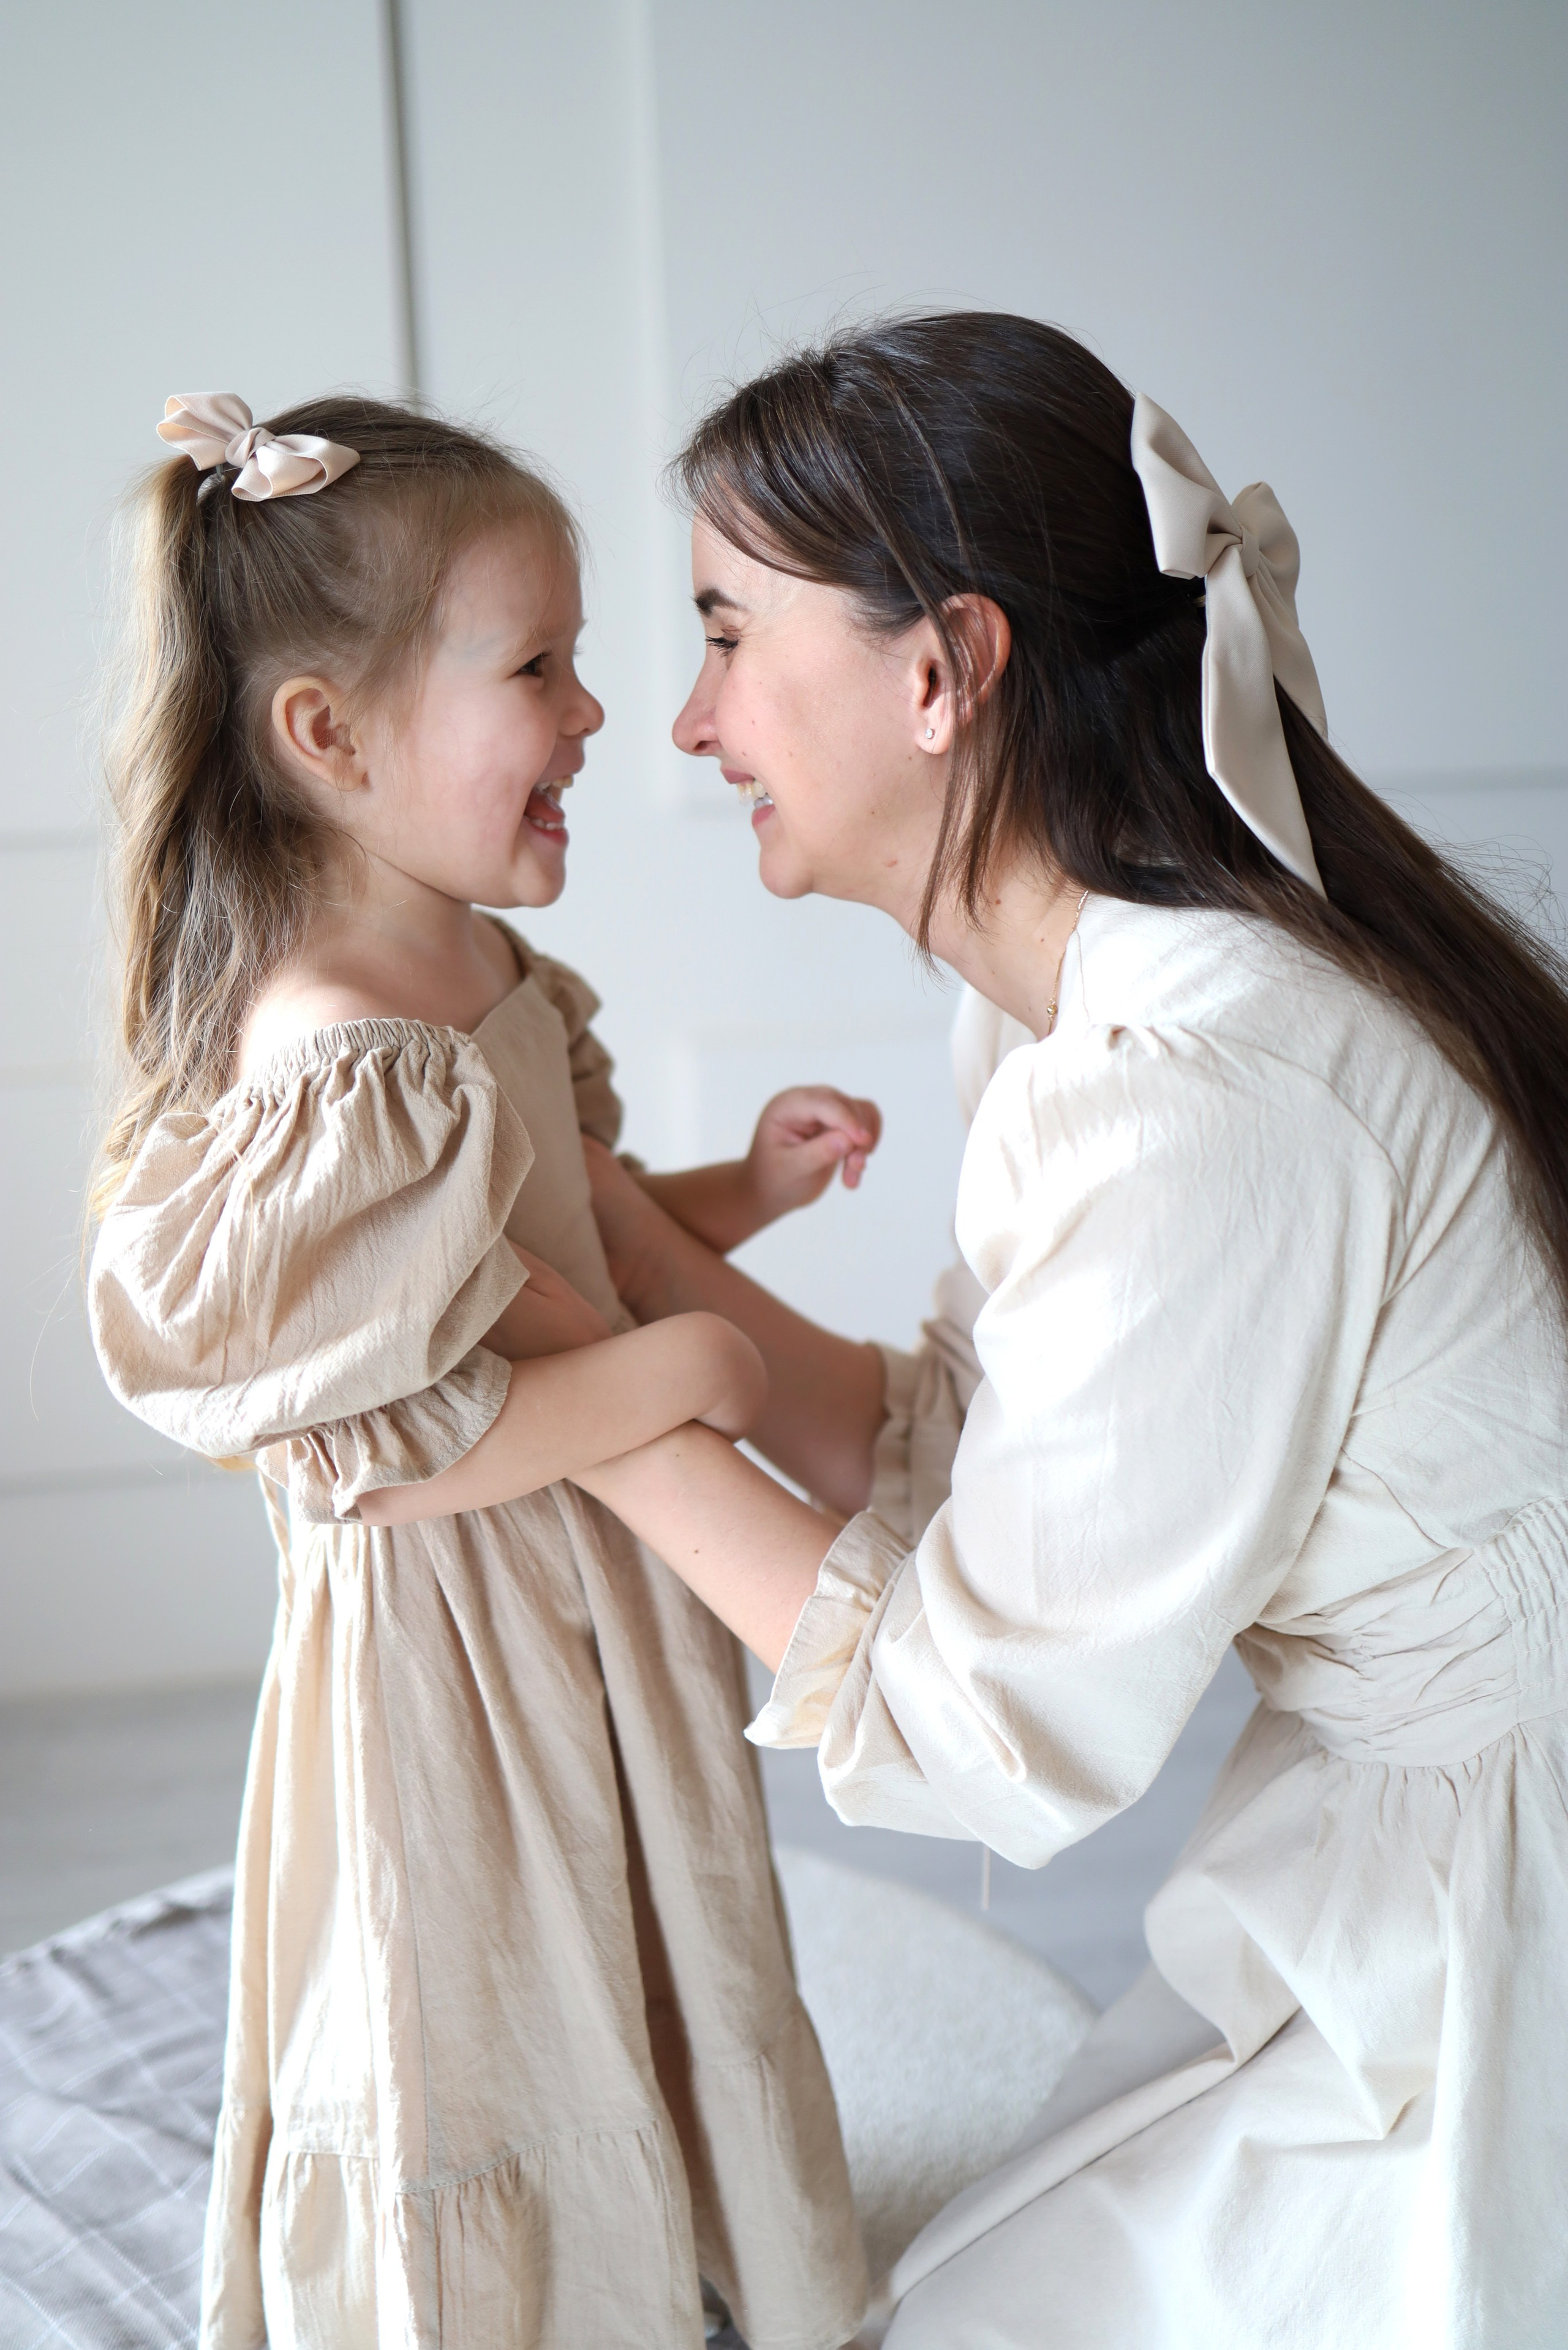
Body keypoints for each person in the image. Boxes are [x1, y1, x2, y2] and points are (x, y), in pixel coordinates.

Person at [560, 315, 1568, 2346]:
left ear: (937, 672)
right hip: (1404, 1816)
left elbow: (996, 1730)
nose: (686, 719)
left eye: (729, 635)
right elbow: (963, 1440)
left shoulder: (1203, 1089)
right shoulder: (1093, 1002)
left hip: (1506, 1889)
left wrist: (562, 1408)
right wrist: (598, 1233)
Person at [86, 392, 870, 2350]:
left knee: (636, 1926)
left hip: (589, 1585)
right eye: (538, 667)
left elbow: (563, 1232)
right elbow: (388, 1442)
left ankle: (675, 2251)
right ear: (331, 739)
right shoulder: (334, 1053)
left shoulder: (488, 981)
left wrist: (739, 1200)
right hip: (454, 1637)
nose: (599, 715)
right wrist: (682, 1375)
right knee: (483, 1992)